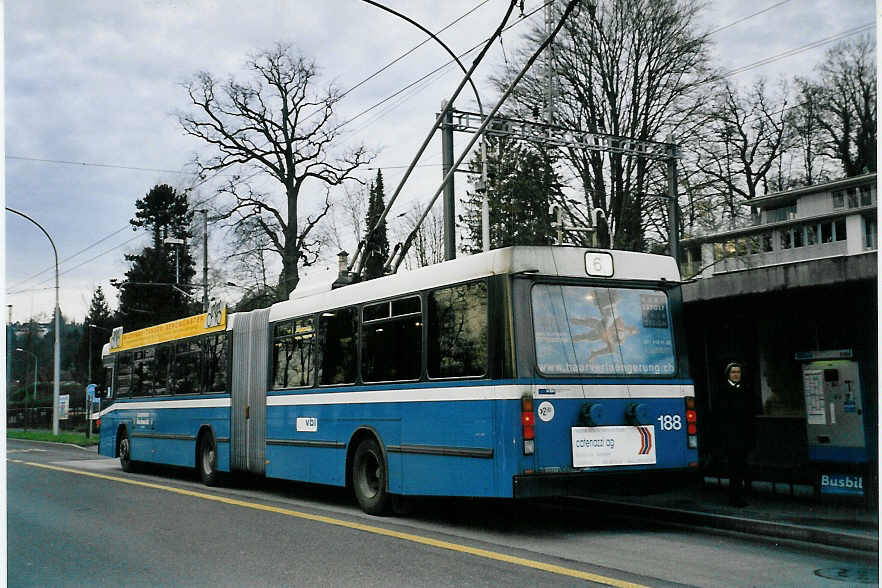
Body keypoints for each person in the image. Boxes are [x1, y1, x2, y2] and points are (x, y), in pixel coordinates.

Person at [717, 362, 754, 507]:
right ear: (728, 374)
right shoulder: (722, 391)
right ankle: (734, 497)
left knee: (741, 468)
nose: (736, 375)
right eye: (733, 372)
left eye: (738, 372)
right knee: (734, 469)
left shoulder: (746, 389)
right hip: (730, 438)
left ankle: (739, 495)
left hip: (743, 437)